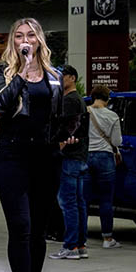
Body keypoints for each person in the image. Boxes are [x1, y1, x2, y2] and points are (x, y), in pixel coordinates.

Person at [0, 17, 78, 272]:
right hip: (11, 156)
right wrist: (24, 73)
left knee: (38, 232)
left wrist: (65, 135)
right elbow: (1, 104)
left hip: (46, 157)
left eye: (31, 35)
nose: (25, 40)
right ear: (13, 42)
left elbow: (55, 117)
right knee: (21, 228)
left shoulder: (55, 77)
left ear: (40, 40)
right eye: (19, 36)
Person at [49, 65, 90, 261]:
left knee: (69, 204)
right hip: (79, 158)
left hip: (70, 159)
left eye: (62, 76)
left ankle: (71, 245)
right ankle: (80, 245)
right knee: (79, 203)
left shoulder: (69, 101)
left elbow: (68, 130)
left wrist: (57, 148)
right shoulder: (79, 99)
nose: (59, 79)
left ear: (72, 78)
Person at [83, 85, 123, 249]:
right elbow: (116, 142)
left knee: (83, 200)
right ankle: (107, 239)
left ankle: (81, 239)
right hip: (105, 157)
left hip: (86, 156)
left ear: (93, 96)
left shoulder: (84, 112)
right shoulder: (112, 116)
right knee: (105, 200)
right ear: (107, 98)